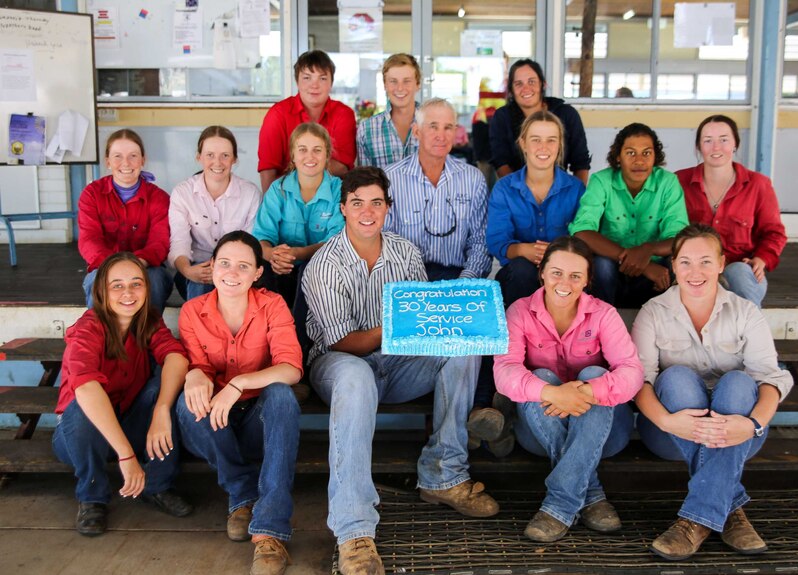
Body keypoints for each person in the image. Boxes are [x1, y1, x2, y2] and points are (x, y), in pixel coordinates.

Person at [301, 167, 499, 575]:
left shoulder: (405, 252)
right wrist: (397, 326)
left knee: (462, 347)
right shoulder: (324, 264)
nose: (367, 211)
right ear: (343, 209)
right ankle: (354, 527)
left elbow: (422, 326)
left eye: (376, 202)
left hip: (397, 362)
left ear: (388, 208)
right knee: (355, 377)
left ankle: (442, 475)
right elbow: (342, 342)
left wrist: (447, 322)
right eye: (357, 203)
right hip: (339, 365)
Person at [631, 224, 793, 561]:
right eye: (686, 262)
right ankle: (730, 509)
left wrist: (752, 426)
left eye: (705, 261)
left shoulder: (745, 312)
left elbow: (771, 379)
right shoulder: (653, 312)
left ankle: (695, 518)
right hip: (670, 432)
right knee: (675, 378)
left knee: (738, 383)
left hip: (740, 434)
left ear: (722, 264)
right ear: (673, 266)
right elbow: (638, 381)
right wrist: (667, 421)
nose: (695, 272)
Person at [495, 236, 643, 542]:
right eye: (557, 272)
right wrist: (552, 393)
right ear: (542, 274)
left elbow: (632, 373)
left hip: (606, 435)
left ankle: (559, 506)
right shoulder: (520, 312)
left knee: (595, 373)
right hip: (539, 430)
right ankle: (591, 494)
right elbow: (505, 372)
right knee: (542, 378)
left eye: (576, 276)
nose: (565, 282)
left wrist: (587, 390)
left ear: (588, 280)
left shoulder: (604, 314)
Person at [176, 230, 303, 575]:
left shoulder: (271, 305)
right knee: (188, 404)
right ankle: (242, 495)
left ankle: (269, 530)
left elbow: (291, 368)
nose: (232, 273)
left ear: (258, 273)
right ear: (213, 265)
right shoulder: (191, 311)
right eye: (225, 263)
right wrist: (195, 374)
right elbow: (195, 363)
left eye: (244, 266)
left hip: (258, 420)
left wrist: (239, 383)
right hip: (216, 425)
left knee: (280, 394)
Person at [52, 252, 192, 538]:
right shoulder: (88, 328)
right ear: (102, 291)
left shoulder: (148, 321)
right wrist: (127, 456)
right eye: (117, 285)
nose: (128, 293)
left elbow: (176, 358)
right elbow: (87, 388)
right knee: (81, 406)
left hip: (127, 421)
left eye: (136, 284)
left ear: (146, 288)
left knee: (161, 390)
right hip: (79, 437)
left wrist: (162, 410)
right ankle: (92, 497)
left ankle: (157, 485)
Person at [569, 122, 689, 308]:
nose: (639, 160)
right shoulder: (602, 181)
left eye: (646, 153)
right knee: (601, 265)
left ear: (655, 156)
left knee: (677, 263)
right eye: (631, 153)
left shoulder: (668, 182)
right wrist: (633, 259)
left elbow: (679, 238)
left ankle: (668, 327)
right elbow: (582, 231)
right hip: (611, 273)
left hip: (654, 275)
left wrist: (648, 250)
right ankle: (600, 325)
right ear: (618, 157)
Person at [676, 115, 787, 307]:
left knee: (738, 273)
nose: (716, 147)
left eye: (724, 140)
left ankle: (750, 334)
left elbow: (774, 233)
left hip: (739, 270)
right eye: (708, 141)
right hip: (695, 269)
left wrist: (762, 258)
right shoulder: (678, 182)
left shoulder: (758, 184)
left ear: (735, 143)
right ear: (699, 146)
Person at [384, 97, 491, 282]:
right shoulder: (390, 178)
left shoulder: (473, 179)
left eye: (448, 127)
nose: (441, 136)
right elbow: (383, 242)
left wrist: (463, 284)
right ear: (416, 131)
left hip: (458, 278)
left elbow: (480, 243)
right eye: (433, 126)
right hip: (404, 280)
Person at [487, 110, 586, 308]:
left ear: (559, 145)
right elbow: (497, 242)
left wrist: (555, 256)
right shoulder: (504, 188)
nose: (543, 147)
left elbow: (583, 239)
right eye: (535, 140)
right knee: (521, 269)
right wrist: (525, 249)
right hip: (519, 273)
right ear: (523, 143)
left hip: (564, 271)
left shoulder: (575, 189)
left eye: (551, 140)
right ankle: (519, 333)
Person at [78, 129, 173, 312]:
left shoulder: (159, 198)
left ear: (142, 160)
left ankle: (147, 336)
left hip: (147, 267)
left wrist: (137, 263)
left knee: (155, 281)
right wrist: (115, 266)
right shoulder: (92, 195)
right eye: (117, 156)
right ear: (107, 162)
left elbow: (160, 242)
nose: (126, 163)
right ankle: (101, 337)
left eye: (133, 156)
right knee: (97, 280)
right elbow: (89, 239)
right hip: (104, 266)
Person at [253, 122, 345, 308]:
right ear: (293, 155)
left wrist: (299, 253)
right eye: (302, 149)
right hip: (279, 265)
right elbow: (261, 237)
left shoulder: (339, 190)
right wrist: (272, 254)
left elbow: (337, 242)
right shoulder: (278, 189)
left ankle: (304, 335)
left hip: (324, 267)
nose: (309, 157)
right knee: (266, 271)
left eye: (317, 150)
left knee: (306, 270)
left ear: (327, 155)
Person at [169, 126, 262, 301]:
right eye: (210, 155)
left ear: (234, 159)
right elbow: (179, 242)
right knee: (200, 282)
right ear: (199, 157)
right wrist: (188, 271)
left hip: (237, 268)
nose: (217, 162)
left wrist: (226, 270)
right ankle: (198, 328)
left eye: (225, 155)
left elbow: (251, 245)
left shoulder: (250, 194)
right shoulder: (182, 193)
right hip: (195, 268)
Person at [258, 50, 356, 192]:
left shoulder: (343, 114)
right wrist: (272, 207)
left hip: (331, 197)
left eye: (322, 78)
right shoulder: (278, 114)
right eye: (307, 78)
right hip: (285, 195)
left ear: (331, 83)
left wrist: (302, 168)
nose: (314, 85)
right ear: (297, 81)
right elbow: (268, 168)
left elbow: (342, 166)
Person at [490, 59, 590, 184]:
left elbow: (581, 162)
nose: (526, 88)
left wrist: (577, 197)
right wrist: (518, 194)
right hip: (516, 191)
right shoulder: (502, 117)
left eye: (532, 82)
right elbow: (500, 162)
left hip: (561, 192)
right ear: (511, 90)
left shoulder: (566, 114)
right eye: (518, 84)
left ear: (543, 84)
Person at [356, 53, 421, 168]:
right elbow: (365, 181)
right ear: (385, 85)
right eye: (393, 81)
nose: (400, 88)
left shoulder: (433, 124)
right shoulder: (367, 129)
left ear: (418, 84)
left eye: (406, 81)